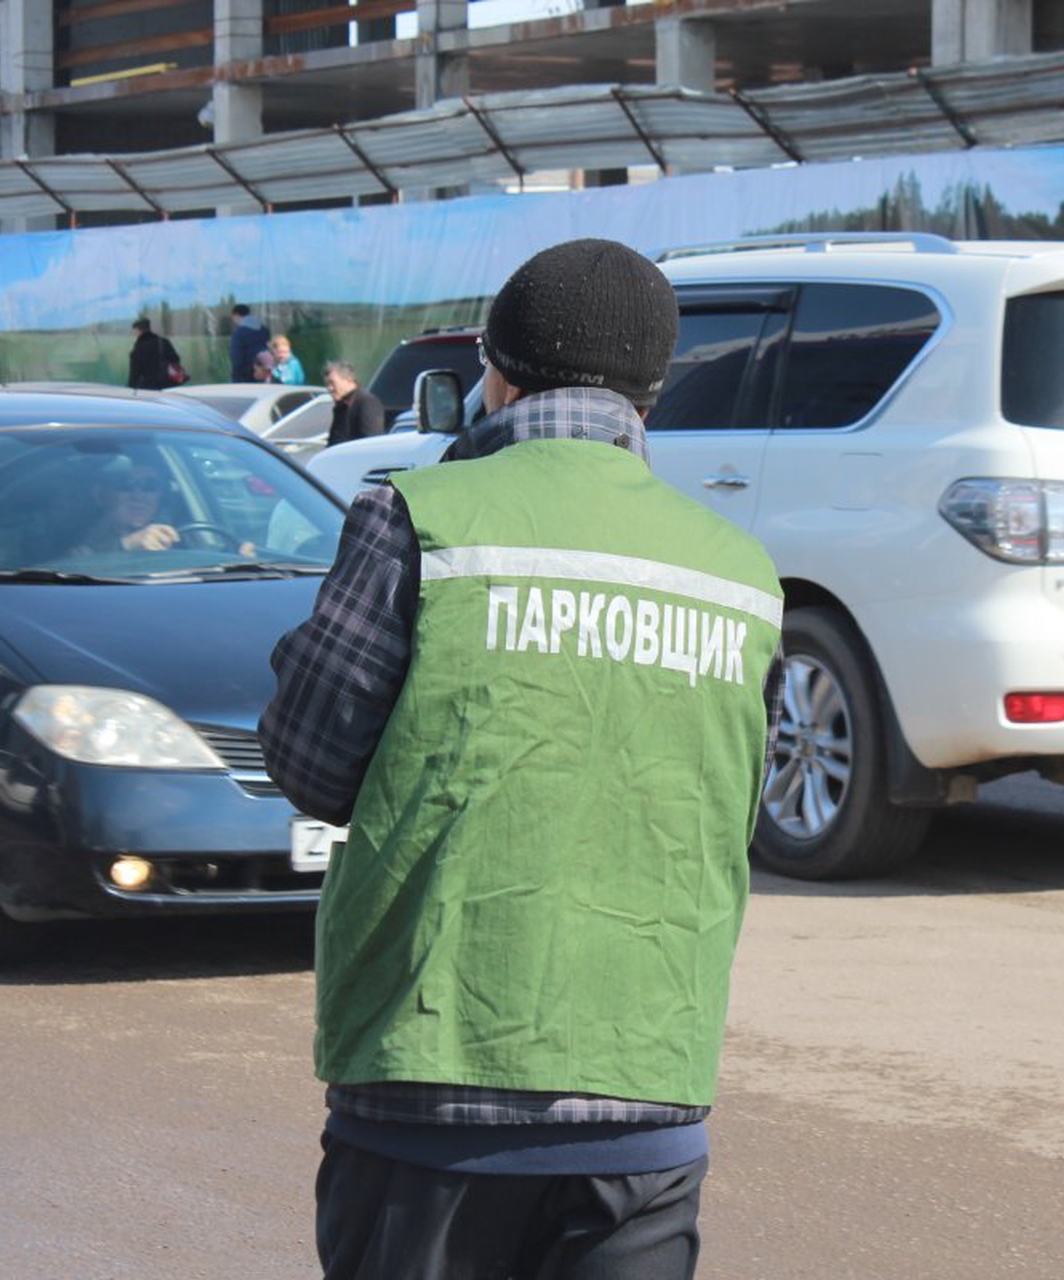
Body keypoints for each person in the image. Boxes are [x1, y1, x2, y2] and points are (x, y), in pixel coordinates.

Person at [259, 237, 784, 1280]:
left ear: (495, 376)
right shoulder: (742, 572)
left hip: (434, 1072)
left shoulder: (419, 518)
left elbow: (311, 762)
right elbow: (732, 801)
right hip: (647, 1084)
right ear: (654, 393)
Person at [69, 454, 180, 553]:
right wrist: (125, 546)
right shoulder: (76, 538)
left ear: (161, 495)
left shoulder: (178, 537)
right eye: (125, 484)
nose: (138, 496)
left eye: (150, 486)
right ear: (99, 494)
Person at [322, 360, 385, 445]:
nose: (330, 388)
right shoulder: (342, 406)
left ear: (348, 379)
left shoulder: (366, 403)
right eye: (327, 384)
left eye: (332, 383)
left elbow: (372, 444)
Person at [128, 317, 182, 391]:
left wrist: (130, 388)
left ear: (138, 330)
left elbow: (135, 372)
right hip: (166, 385)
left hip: (146, 387)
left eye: (134, 331)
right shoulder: (163, 342)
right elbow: (176, 359)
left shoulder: (139, 347)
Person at [229, 304, 270, 382]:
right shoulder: (265, 331)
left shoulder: (239, 333)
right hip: (264, 374)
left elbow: (236, 357)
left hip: (245, 377)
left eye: (233, 318)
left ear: (236, 315)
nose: (233, 321)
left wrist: (235, 378)